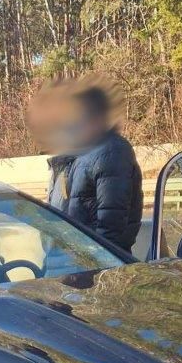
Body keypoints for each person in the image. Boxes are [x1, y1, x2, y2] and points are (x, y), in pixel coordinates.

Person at [37, 83, 143, 252]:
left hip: (92, 264)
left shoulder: (110, 151)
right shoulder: (70, 155)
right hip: (68, 260)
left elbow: (112, 223)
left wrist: (96, 262)